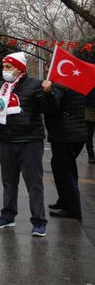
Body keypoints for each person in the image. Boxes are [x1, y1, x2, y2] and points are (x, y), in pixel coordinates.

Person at [0, 52, 49, 237]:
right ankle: (8, 216)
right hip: (7, 142)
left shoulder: (35, 85)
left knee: (34, 184)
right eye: (3, 67)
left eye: (8, 67)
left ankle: (38, 222)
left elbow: (49, 108)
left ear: (19, 68)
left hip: (30, 142)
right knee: (9, 182)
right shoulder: (2, 86)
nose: (4, 71)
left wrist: (48, 92)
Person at [43, 78, 87, 220]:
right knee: (62, 168)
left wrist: (48, 93)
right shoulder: (74, 80)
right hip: (75, 133)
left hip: (65, 134)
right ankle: (64, 200)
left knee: (66, 172)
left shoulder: (60, 84)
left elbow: (53, 107)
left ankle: (72, 209)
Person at [86, 90, 95, 164]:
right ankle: (91, 155)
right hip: (89, 110)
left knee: (89, 135)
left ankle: (91, 156)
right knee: (89, 135)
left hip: (89, 109)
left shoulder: (87, 83)